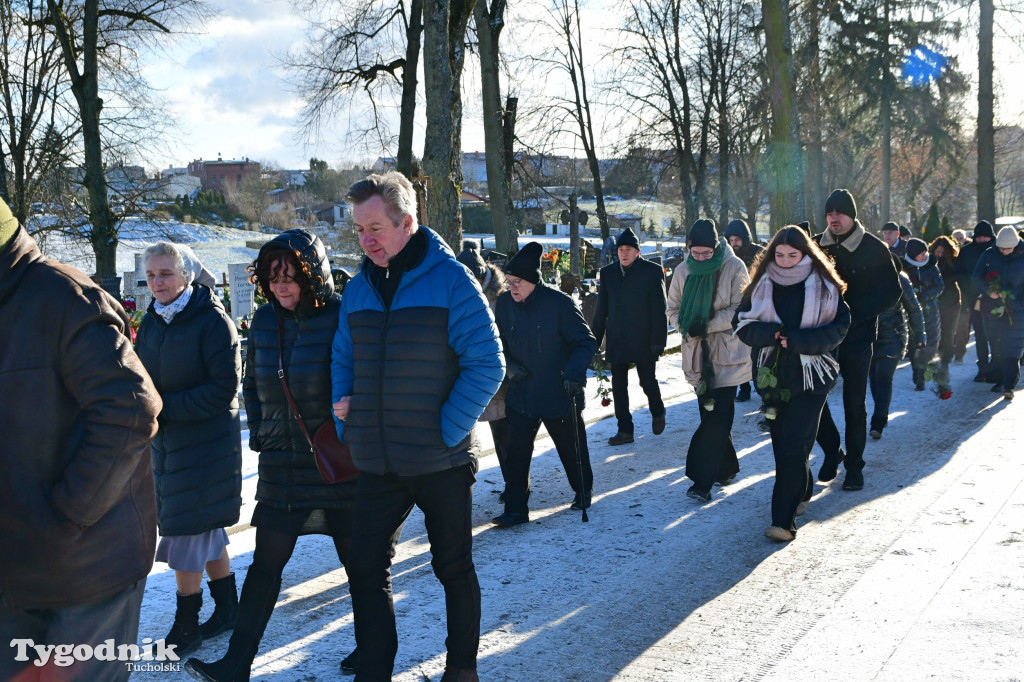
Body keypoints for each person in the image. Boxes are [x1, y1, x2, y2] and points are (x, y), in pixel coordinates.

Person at [330, 173, 504, 682]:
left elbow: (487, 364)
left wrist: (447, 430)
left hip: (439, 461)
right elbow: (343, 357)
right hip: (378, 460)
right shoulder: (358, 288)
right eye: (359, 230)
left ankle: (461, 669)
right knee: (365, 568)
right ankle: (374, 670)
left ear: (407, 223)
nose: (366, 240)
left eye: (376, 228)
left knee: (452, 567)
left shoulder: (451, 281)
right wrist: (347, 412)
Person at [186, 229, 358, 681]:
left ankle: (371, 650)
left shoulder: (342, 315)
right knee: (265, 565)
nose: (281, 286)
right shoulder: (264, 320)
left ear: (312, 274)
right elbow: (252, 383)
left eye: (290, 276)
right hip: (282, 463)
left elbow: (360, 378)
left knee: (360, 565)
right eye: (273, 277)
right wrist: (262, 431)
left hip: (337, 461)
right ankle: (236, 664)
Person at [0, 198, 161, 681]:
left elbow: (132, 409)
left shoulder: (63, 295)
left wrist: (67, 515)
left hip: (87, 569)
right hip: (15, 568)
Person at [135, 243, 242, 657]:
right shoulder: (151, 321)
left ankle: (187, 625)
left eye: (165, 273)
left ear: (186, 275)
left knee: (185, 533)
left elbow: (223, 388)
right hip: (166, 446)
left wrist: (163, 408)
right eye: (151, 275)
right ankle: (229, 609)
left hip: (205, 446)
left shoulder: (212, 320)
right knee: (204, 529)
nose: (157, 282)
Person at [735, 226, 850, 541]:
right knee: (782, 446)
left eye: (792, 255)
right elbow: (741, 325)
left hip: (813, 378)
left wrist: (797, 340)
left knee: (795, 446)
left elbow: (840, 328)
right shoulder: (760, 284)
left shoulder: (825, 286)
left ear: (806, 254)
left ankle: (783, 522)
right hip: (772, 377)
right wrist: (769, 333)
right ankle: (802, 490)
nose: (785, 261)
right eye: (780, 254)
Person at [493, 241, 598, 525]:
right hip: (521, 394)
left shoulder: (559, 304)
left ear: (533, 281)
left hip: (558, 392)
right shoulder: (505, 305)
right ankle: (516, 509)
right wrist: (509, 366)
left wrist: (574, 374)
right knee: (516, 454)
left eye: (518, 282)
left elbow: (585, 342)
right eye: (509, 282)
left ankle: (583, 490)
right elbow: (496, 342)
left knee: (571, 449)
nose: (512, 287)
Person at [813, 189, 902, 491]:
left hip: (858, 338)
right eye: (829, 213)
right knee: (814, 400)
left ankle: (854, 467)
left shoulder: (874, 247)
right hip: (822, 338)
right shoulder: (815, 245)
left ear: (852, 215)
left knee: (854, 404)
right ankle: (832, 451)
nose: (833, 218)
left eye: (839, 213)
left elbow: (892, 292)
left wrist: (855, 313)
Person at [666, 219, 751, 503]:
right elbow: (672, 308)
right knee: (708, 413)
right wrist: (685, 325)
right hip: (697, 354)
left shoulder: (734, 267)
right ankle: (725, 469)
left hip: (727, 353)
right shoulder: (683, 270)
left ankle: (701, 481)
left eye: (706, 253)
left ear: (716, 247)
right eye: (696, 252)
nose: (701, 258)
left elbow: (740, 308)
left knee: (719, 415)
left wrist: (707, 324)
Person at [591, 227, 668, 446]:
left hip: (644, 338)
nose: (624, 253)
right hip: (618, 338)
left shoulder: (652, 272)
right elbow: (601, 311)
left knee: (647, 380)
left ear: (637, 252)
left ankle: (658, 410)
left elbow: (659, 309)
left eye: (628, 249)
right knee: (618, 386)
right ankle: (625, 430)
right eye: (620, 249)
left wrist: (658, 341)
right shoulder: (608, 274)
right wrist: (593, 342)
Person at [456, 240, 511, 493]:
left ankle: (514, 488)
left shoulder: (501, 300)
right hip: (464, 378)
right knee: (463, 441)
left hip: (497, 381)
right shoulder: (457, 294)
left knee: (503, 438)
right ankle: (460, 492)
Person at [869, 259, 926, 440]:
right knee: (874, 379)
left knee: (883, 377)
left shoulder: (900, 279)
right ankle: (882, 411)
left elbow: (914, 309)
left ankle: (878, 421)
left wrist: (920, 335)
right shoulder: (863, 276)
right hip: (868, 336)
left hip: (893, 335)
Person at [971, 226, 1024, 400]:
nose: (1005, 251)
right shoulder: (989, 254)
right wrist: (989, 291)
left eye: (1009, 248)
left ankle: (1009, 385)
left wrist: (1016, 299)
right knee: (997, 343)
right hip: (992, 307)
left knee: (1013, 348)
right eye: (1002, 248)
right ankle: (1000, 379)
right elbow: (976, 276)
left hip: (1018, 309)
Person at [724, 218, 765, 403]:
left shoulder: (759, 254)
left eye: (737, 240)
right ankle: (744, 388)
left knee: (756, 350)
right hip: (736, 305)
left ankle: (762, 388)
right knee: (738, 349)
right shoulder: (728, 257)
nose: (734, 244)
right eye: (731, 240)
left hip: (756, 304)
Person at [903, 238, 946, 393]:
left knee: (931, 342)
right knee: (914, 344)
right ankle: (918, 374)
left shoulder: (932, 266)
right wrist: (912, 298)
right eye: (920, 253)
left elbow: (940, 286)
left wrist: (924, 296)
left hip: (930, 310)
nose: (924, 255)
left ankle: (925, 372)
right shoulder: (905, 268)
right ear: (913, 254)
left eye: (925, 252)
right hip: (912, 312)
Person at [955, 221, 995, 377]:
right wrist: (968, 291)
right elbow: (960, 273)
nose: (982, 240)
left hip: (997, 298)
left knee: (996, 335)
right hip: (974, 298)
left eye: (985, 237)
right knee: (980, 334)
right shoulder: (967, 251)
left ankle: (996, 367)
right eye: (979, 237)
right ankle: (983, 367)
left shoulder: (998, 250)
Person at [930, 236, 962, 374]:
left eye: (943, 252)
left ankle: (945, 360)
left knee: (948, 331)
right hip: (934, 299)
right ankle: (934, 358)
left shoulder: (954, 262)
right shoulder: (930, 262)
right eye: (938, 252)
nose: (940, 255)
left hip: (951, 300)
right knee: (934, 331)